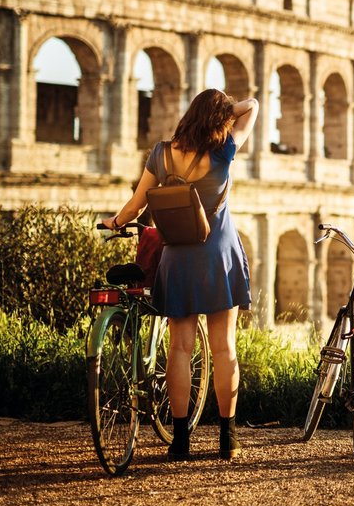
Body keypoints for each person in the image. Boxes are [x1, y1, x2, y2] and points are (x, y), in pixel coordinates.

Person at [103, 89, 258, 461]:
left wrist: (116, 221)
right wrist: (224, 112)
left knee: (179, 350)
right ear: (219, 120)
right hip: (218, 255)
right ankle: (228, 439)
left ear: (189, 115)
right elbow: (251, 106)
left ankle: (180, 441)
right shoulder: (224, 150)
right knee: (224, 349)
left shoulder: (162, 152)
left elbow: (138, 202)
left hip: (177, 259)